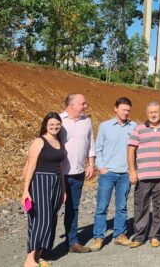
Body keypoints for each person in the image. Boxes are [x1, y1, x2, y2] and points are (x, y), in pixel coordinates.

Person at [89, 97, 137, 251]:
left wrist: (133, 169)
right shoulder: (105, 126)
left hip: (125, 173)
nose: (126, 113)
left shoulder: (134, 126)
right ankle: (98, 237)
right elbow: (99, 148)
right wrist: (101, 167)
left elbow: (138, 148)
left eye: (128, 110)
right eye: (123, 109)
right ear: (115, 109)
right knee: (102, 207)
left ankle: (119, 235)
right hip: (108, 173)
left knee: (122, 206)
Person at [22, 113, 67, 267]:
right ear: (45, 126)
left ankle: (40, 256)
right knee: (40, 219)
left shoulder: (59, 141)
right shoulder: (39, 141)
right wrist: (25, 190)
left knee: (51, 220)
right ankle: (29, 259)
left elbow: (60, 167)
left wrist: (63, 189)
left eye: (57, 125)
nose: (54, 127)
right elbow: (30, 165)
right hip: (40, 181)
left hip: (55, 182)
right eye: (51, 125)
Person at [127, 101, 160, 248]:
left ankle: (155, 235)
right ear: (146, 113)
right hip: (143, 176)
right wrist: (132, 171)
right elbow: (131, 150)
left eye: (156, 112)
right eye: (150, 112)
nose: (153, 114)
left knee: (159, 206)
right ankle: (139, 236)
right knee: (141, 206)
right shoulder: (138, 129)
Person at [59, 93, 94, 254]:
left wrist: (91, 164)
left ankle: (72, 242)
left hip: (78, 173)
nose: (86, 106)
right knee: (53, 209)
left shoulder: (86, 121)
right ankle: (45, 247)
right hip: (59, 175)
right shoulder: (58, 120)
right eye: (83, 103)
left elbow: (90, 144)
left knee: (73, 208)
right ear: (72, 105)